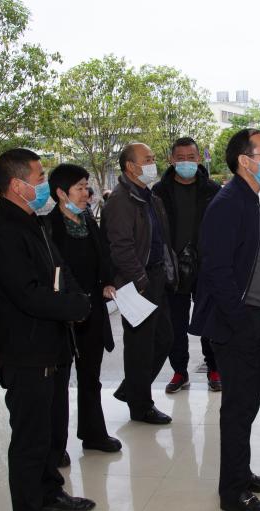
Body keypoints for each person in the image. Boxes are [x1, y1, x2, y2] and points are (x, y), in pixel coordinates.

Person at [0, 148, 95, 511]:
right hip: (24, 349)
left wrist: (79, 298)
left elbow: (61, 271)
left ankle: (49, 491)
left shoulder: (34, 222)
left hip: (51, 343)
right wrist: (75, 307)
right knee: (30, 436)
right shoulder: (2, 231)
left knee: (49, 429)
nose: (44, 183)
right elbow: (27, 293)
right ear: (17, 185)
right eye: (40, 177)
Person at [191, 128, 260, 511]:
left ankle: (240, 473)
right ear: (245, 161)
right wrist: (240, 319)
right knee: (238, 407)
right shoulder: (229, 202)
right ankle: (233, 492)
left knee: (247, 403)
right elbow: (216, 269)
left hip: (256, 314)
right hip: (238, 320)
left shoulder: (247, 198)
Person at [45, 163, 121, 455]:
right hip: (65, 313)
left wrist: (107, 281)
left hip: (92, 310)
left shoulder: (88, 219)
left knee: (91, 376)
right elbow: (55, 271)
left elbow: (103, 254)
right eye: (79, 187)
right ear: (61, 193)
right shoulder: (49, 227)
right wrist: (74, 297)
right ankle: (56, 446)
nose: (87, 192)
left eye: (87, 186)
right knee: (59, 382)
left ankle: (93, 434)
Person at [102, 142, 177, 424]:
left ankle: (132, 389)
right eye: (147, 159)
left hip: (154, 276)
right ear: (130, 167)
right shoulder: (121, 200)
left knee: (164, 339)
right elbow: (121, 247)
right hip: (137, 282)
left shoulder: (147, 195)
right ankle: (140, 405)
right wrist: (141, 280)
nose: (152, 164)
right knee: (140, 347)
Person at [152, 137, 222, 394]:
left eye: (191, 158)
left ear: (199, 158)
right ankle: (180, 371)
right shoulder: (159, 191)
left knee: (210, 320)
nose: (186, 163)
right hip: (172, 269)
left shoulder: (213, 190)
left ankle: (214, 368)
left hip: (205, 267)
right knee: (175, 324)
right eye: (180, 158)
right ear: (171, 160)